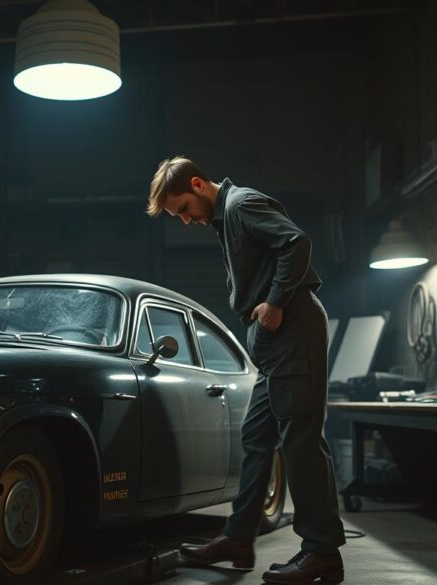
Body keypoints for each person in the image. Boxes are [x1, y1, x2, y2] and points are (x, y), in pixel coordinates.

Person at [146, 157, 346, 584]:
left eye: (182, 209)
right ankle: (238, 538)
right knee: (257, 438)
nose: (184, 220)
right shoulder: (224, 219)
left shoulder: (241, 206)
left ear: (198, 185)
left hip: (292, 330)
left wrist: (274, 302)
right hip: (276, 346)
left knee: (300, 443)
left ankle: (321, 552)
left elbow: (296, 243)